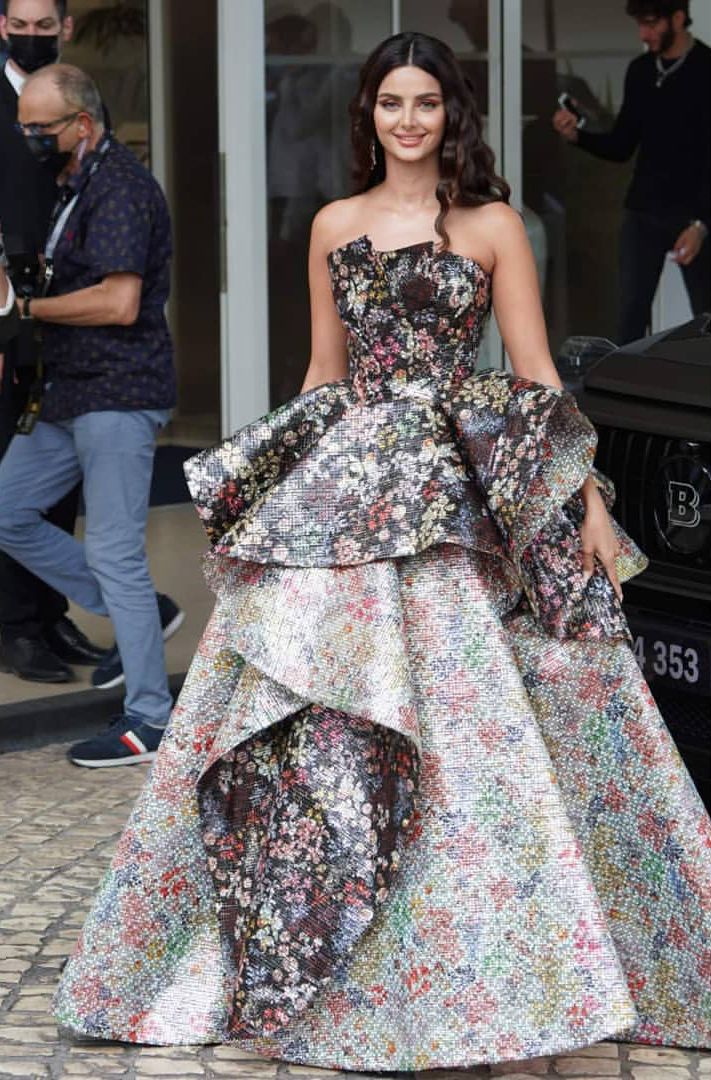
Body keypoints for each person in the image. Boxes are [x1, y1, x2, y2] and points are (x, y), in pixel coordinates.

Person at [54, 33, 711, 1067]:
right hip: (349, 489)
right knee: (315, 707)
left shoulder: (497, 225)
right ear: (368, 115)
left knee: (474, 720)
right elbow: (324, 372)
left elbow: (536, 374)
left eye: (426, 102)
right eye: (391, 102)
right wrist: (279, 494)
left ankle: (501, 976)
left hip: (449, 493)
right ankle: (300, 956)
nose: (409, 119)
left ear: (453, 114)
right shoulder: (333, 224)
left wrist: (584, 496)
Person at [0, 63, 183, 767]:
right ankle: (141, 611)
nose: (28, 139)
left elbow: (119, 303)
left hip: (119, 391)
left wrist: (25, 311)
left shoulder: (121, 189)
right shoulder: (67, 181)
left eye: (38, 129)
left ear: (82, 124)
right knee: (10, 511)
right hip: (70, 391)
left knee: (114, 550)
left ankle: (149, 721)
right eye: (21, 127)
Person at [0, 0, 108, 683]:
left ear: (65, 29)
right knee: (9, 474)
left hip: (64, 317)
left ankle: (49, 613)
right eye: (21, 24)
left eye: (46, 26)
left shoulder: (76, 102)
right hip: (8, 315)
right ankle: (16, 629)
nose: (32, 36)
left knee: (57, 475)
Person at [552, 0, 710, 345]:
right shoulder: (640, 70)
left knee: (706, 321)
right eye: (640, 24)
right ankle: (624, 396)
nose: (644, 33)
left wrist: (700, 225)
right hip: (643, 212)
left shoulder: (706, 69)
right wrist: (576, 136)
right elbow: (622, 146)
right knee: (629, 318)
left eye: (651, 24)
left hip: (695, 215)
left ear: (678, 18)